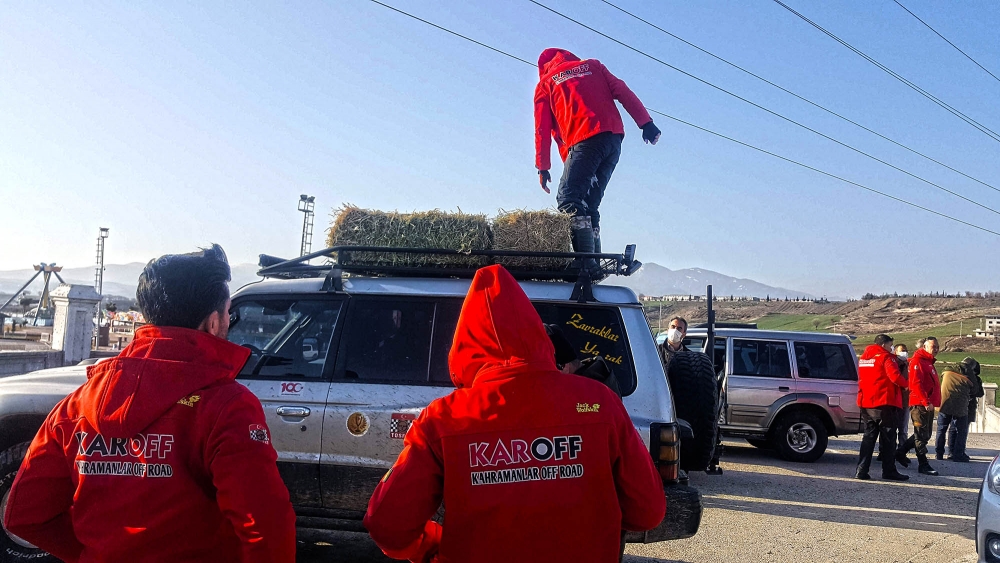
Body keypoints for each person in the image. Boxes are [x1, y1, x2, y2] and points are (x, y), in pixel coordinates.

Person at [2, 245, 296, 562]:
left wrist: (95, 553)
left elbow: (23, 515)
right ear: (213, 322)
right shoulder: (227, 406)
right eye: (228, 313)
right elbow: (266, 527)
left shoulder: (75, 405)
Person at [364, 265, 665, 562]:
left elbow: (387, 526)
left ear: (465, 345)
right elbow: (648, 511)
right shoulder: (599, 402)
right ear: (536, 332)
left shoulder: (443, 419)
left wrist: (437, 546)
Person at [534, 48, 660, 261]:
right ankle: (594, 263)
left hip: (585, 140)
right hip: (612, 141)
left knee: (568, 198)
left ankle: (586, 264)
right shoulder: (593, 66)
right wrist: (646, 123)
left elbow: (542, 130)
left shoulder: (546, 84)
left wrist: (543, 167)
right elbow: (623, 90)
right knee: (589, 205)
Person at [855, 335, 909, 481]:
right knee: (889, 439)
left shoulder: (864, 358)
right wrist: (906, 385)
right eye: (891, 345)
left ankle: (861, 470)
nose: (892, 348)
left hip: (866, 402)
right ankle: (889, 470)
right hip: (884, 402)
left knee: (869, 437)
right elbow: (895, 377)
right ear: (884, 345)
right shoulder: (887, 358)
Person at [897, 336, 941, 476]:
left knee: (924, 434)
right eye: (933, 346)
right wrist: (925, 401)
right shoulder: (918, 362)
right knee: (921, 435)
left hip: (927, 404)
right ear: (925, 347)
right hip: (920, 404)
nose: (936, 349)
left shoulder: (928, 362)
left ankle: (900, 452)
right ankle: (923, 464)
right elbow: (915, 384)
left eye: (937, 346)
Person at [938, 357, 979, 462]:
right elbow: (975, 390)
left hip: (944, 402)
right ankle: (958, 454)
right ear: (972, 366)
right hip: (960, 405)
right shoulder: (968, 371)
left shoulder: (948, 368)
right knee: (962, 430)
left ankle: (939, 454)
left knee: (941, 429)